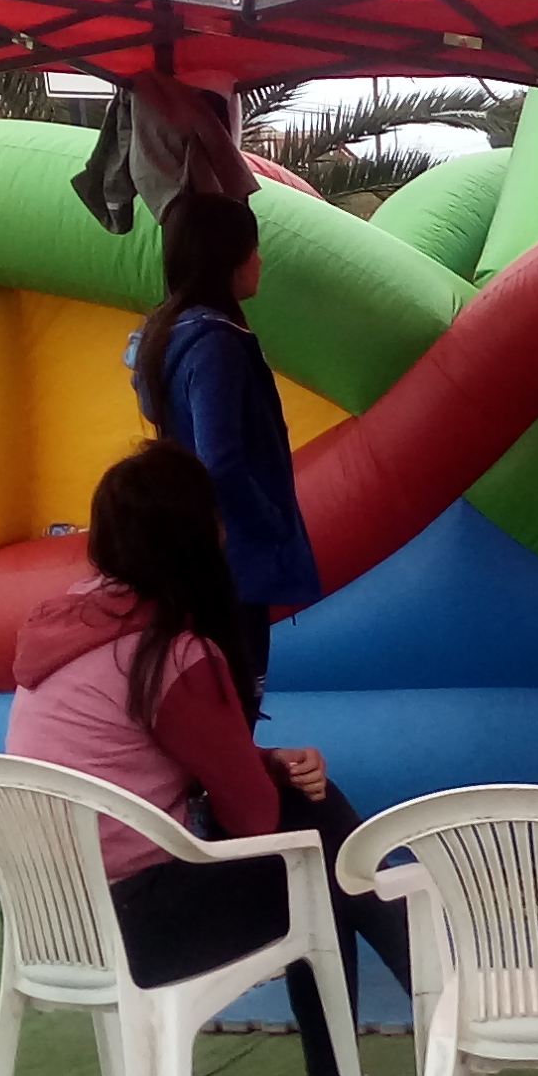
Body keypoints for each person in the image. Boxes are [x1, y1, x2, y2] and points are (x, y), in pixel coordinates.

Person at [6, 442, 417, 1076]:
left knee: (314, 839)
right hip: (142, 926)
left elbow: (123, 756)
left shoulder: (69, 623)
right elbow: (252, 819)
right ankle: (415, 1025)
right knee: (319, 847)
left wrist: (258, 759)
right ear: (199, 538)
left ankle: (380, 1060)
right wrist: (260, 773)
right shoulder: (172, 653)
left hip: (52, 924)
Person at [130, 191, 319, 713]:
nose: (259, 260)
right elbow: (222, 460)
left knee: (211, 700)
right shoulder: (218, 344)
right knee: (236, 701)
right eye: (252, 249)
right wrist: (272, 521)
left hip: (195, 553)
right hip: (231, 559)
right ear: (228, 259)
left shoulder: (165, 335)